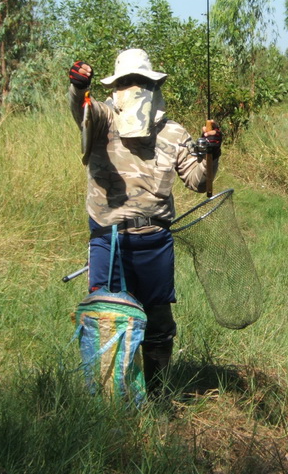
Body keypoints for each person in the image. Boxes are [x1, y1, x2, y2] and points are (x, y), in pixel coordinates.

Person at [68, 48, 221, 396]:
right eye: (126, 82)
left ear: (154, 86)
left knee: (159, 325)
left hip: (154, 240)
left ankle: (156, 396)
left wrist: (212, 151)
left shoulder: (174, 132)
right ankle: (108, 399)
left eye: (141, 82)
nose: (133, 87)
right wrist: (78, 87)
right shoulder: (102, 119)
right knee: (106, 318)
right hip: (109, 237)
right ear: (115, 88)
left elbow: (199, 182)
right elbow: (80, 109)